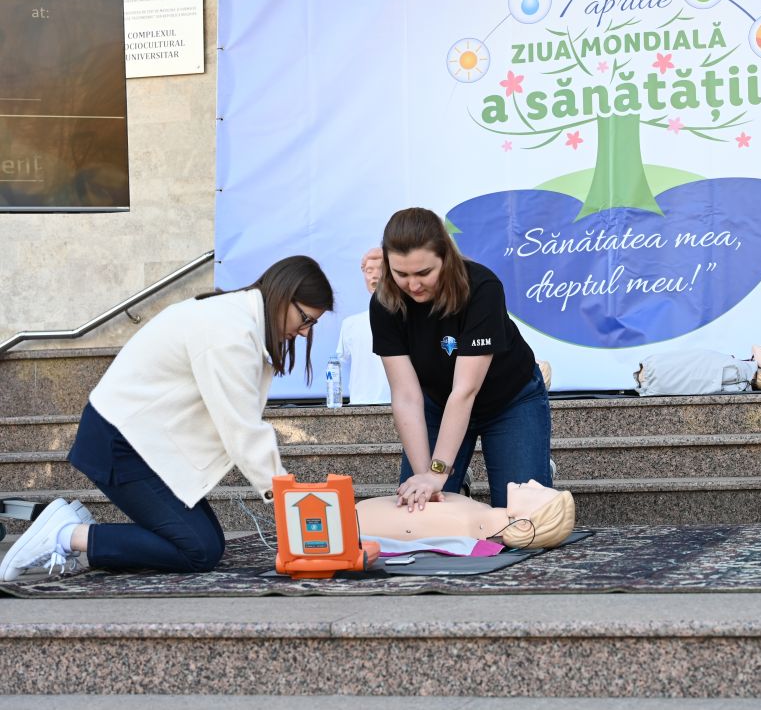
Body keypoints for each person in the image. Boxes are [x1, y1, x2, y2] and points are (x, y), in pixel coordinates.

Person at [0, 256, 334, 581]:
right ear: (284, 297)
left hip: (137, 442)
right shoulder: (230, 332)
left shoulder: (233, 319)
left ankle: (76, 530)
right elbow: (241, 427)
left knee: (208, 544)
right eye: (306, 319)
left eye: (313, 324)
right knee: (198, 550)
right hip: (118, 444)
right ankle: (66, 534)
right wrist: (287, 499)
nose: (306, 333)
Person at [370, 207, 552, 511]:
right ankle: (457, 480)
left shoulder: (481, 287)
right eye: (401, 274)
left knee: (521, 518)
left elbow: (465, 390)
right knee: (421, 510)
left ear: (446, 257)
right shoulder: (384, 303)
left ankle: (531, 471)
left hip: (509, 400)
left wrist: (438, 472)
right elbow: (406, 396)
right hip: (438, 403)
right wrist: (426, 478)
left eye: (424, 273)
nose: (413, 285)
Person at [356, 479, 575, 549]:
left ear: (524, 524)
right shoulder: (476, 514)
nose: (534, 482)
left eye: (540, 491)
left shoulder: (465, 524)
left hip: (348, 521)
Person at [335, 247, 391, 405]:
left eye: (380, 269)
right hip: (360, 404)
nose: (374, 275)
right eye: (369, 270)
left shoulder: (408, 320)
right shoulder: (350, 324)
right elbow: (341, 360)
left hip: (399, 405)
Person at [633, 344, 761, 395]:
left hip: (656, 374)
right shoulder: (739, 373)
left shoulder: (738, 373)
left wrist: (654, 371)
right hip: (655, 375)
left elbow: (693, 374)